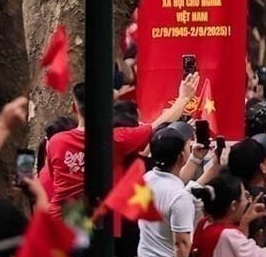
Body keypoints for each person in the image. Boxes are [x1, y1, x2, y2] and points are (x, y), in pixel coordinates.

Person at [41, 74, 196, 219]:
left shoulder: (56, 141)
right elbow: (158, 125)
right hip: (94, 225)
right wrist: (183, 98)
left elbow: (53, 181)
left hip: (57, 222)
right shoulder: (116, 139)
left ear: (74, 108)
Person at [132, 127, 198, 257]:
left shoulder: (145, 180)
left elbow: (173, 181)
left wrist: (196, 160)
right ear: (180, 156)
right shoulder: (179, 197)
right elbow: (181, 244)